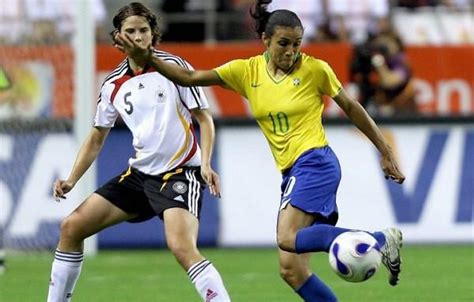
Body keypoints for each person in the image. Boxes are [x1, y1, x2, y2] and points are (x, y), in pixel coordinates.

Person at [115, 0, 406, 301]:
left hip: (315, 162)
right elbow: (189, 78)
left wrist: (384, 150)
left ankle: (378, 239)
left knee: (286, 237)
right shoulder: (246, 71)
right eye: (283, 44)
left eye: (296, 44)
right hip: (292, 170)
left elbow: (351, 106)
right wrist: (148, 58)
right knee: (291, 270)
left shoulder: (315, 69)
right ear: (266, 40)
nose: (291, 52)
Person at [47, 3, 231, 302]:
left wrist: (206, 163)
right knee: (71, 227)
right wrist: (71, 179)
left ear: (153, 34)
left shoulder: (174, 67)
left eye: (143, 30)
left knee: (182, 248)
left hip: (179, 172)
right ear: (118, 37)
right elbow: (96, 136)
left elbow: (204, 118)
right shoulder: (112, 85)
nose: (137, 37)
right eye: (130, 31)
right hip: (140, 175)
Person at [351, 31, 417, 116]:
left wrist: (379, 64)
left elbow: (389, 82)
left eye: (387, 43)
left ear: (396, 45)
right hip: (380, 106)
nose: (383, 47)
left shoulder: (400, 60)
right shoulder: (380, 59)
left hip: (401, 113)